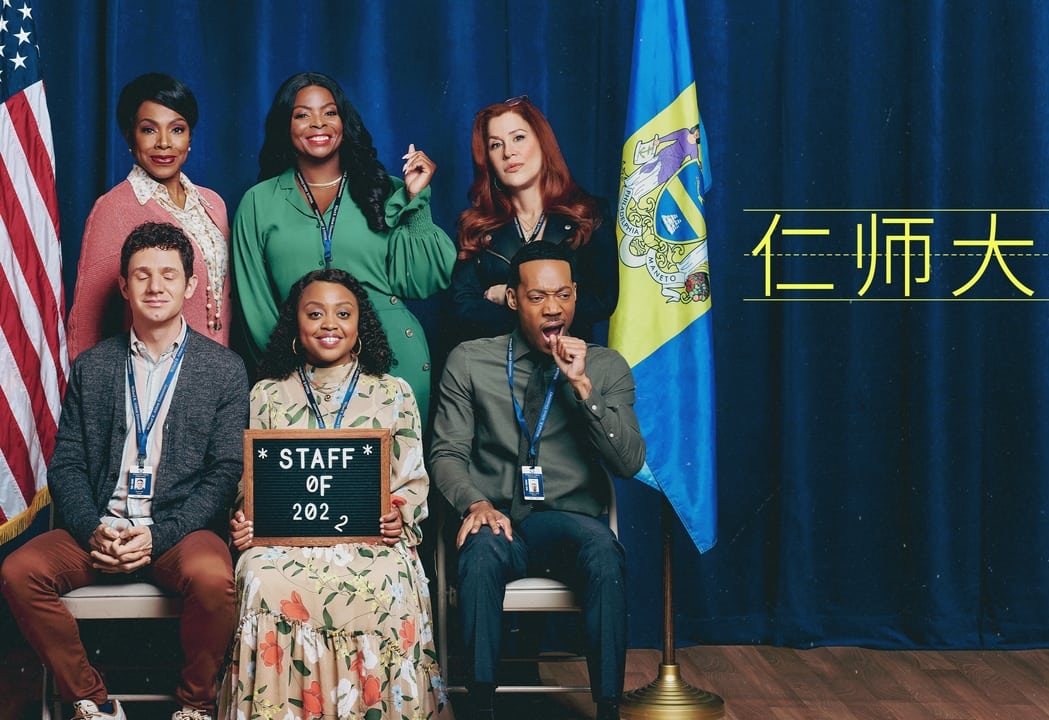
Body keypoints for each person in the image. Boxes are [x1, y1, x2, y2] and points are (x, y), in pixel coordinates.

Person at [1, 222, 248, 720]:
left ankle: (195, 706)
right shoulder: (93, 367)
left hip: (177, 531)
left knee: (214, 579)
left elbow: (224, 473)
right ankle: (92, 701)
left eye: (168, 275)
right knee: (18, 571)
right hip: (101, 527)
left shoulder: (224, 370)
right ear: (123, 285)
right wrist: (94, 528)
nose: (155, 286)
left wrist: (157, 537)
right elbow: (67, 463)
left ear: (190, 286)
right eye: (142, 275)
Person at [219, 268, 451, 720]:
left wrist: (399, 515)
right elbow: (251, 482)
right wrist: (245, 517)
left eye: (343, 314)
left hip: (371, 537)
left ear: (360, 323)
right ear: (295, 323)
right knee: (260, 577)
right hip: (287, 542)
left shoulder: (393, 393)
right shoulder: (267, 395)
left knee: (390, 582)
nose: (330, 324)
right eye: (315, 314)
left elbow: (413, 479)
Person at [429, 242, 645, 720]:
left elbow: (629, 462)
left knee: (604, 550)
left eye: (563, 295)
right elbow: (446, 453)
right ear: (512, 299)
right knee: (480, 550)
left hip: (568, 521)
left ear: (576, 296)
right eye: (538, 296)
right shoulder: (470, 361)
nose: (553, 308)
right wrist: (475, 504)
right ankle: (480, 707)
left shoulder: (606, 365)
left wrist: (582, 386)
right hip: (498, 517)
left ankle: (608, 708)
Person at [233, 71, 455, 407]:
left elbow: (424, 281)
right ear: (285, 125)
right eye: (302, 115)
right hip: (298, 375)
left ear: (344, 121)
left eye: (329, 112)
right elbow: (256, 305)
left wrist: (417, 203)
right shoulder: (258, 202)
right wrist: (288, 375)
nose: (318, 123)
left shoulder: (385, 189)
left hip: (393, 365)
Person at [67, 73, 232, 361]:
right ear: (130, 136)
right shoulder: (114, 207)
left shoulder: (213, 204)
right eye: (149, 130)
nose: (164, 143)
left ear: (190, 137)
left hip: (215, 369)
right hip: (148, 372)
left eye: (177, 129)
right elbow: (86, 322)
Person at [451, 96, 617, 343]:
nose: (509, 152)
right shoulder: (475, 226)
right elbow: (464, 309)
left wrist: (512, 299)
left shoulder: (588, 213)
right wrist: (542, 308)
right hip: (498, 360)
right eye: (496, 145)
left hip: (570, 358)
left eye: (518, 138)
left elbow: (602, 300)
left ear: (542, 143)